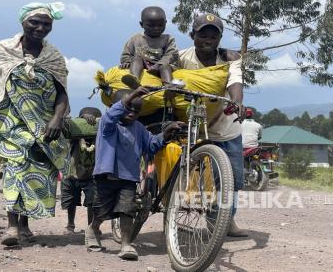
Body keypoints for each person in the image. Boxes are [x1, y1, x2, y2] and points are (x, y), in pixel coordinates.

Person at [0, 2, 69, 246]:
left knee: (36, 172)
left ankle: (25, 223)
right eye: (34, 22)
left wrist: (57, 119)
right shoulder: (1, 49)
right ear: (23, 22)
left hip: (45, 125)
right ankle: (11, 227)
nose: (40, 28)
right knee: (16, 167)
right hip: (10, 122)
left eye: (46, 24)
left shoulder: (53, 56)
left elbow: (62, 93)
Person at [85, 87, 183, 260]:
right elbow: (110, 115)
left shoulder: (139, 128)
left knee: (127, 210)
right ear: (118, 106)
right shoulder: (108, 124)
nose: (132, 112)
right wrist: (132, 96)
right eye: (128, 107)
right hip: (106, 176)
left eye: (137, 110)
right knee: (101, 210)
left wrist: (165, 134)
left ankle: (125, 244)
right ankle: (93, 228)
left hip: (128, 178)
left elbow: (152, 145)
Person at [178, 13, 247, 237]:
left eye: (213, 36)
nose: (208, 40)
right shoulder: (181, 58)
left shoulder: (230, 57)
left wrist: (237, 102)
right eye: (202, 35)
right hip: (196, 129)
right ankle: (199, 218)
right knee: (197, 178)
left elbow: (235, 80)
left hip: (227, 129)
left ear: (220, 38)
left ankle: (228, 221)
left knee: (231, 180)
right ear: (192, 35)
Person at [61, 107, 102, 234]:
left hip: (92, 175)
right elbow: (68, 124)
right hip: (72, 174)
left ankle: (91, 227)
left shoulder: (99, 137)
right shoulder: (75, 135)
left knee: (92, 202)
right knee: (70, 201)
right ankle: (70, 224)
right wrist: (83, 117)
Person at [120, 6, 179, 84]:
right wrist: (126, 62)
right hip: (141, 65)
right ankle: (134, 80)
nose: (156, 28)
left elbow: (171, 54)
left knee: (165, 67)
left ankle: (169, 87)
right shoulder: (135, 38)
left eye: (160, 25)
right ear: (141, 24)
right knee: (137, 59)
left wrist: (158, 65)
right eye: (151, 25)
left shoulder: (168, 39)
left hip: (160, 66)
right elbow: (126, 53)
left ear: (165, 23)